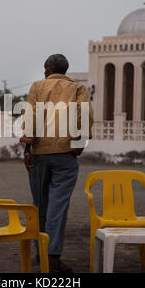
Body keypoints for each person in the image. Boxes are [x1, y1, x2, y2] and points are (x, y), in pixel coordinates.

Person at [20, 54, 94, 273]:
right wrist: (79, 144)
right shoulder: (78, 89)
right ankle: (52, 258)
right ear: (65, 70)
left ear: (47, 68)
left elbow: (31, 117)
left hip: (39, 153)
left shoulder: (37, 87)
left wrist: (27, 149)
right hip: (65, 155)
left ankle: (40, 253)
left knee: (40, 204)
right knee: (58, 206)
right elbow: (85, 116)